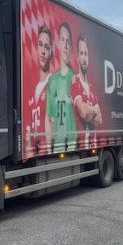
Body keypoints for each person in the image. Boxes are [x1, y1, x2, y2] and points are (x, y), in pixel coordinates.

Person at [46, 22, 77, 151]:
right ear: (58, 43)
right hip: (57, 144)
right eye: (63, 40)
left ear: (71, 47)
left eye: (68, 41)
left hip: (74, 143)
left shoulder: (76, 78)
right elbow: (49, 118)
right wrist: (48, 146)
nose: (65, 45)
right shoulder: (52, 80)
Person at [26, 25, 53, 157]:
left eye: (47, 47)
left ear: (51, 52)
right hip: (35, 150)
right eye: (40, 45)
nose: (43, 51)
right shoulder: (34, 88)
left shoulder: (53, 84)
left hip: (45, 150)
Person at [71, 35, 102, 148]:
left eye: (86, 54)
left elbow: (99, 120)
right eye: (81, 53)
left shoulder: (92, 87)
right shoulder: (75, 82)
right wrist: (94, 109)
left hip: (92, 144)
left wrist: (89, 111)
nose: (84, 57)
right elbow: (83, 112)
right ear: (78, 57)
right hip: (80, 145)